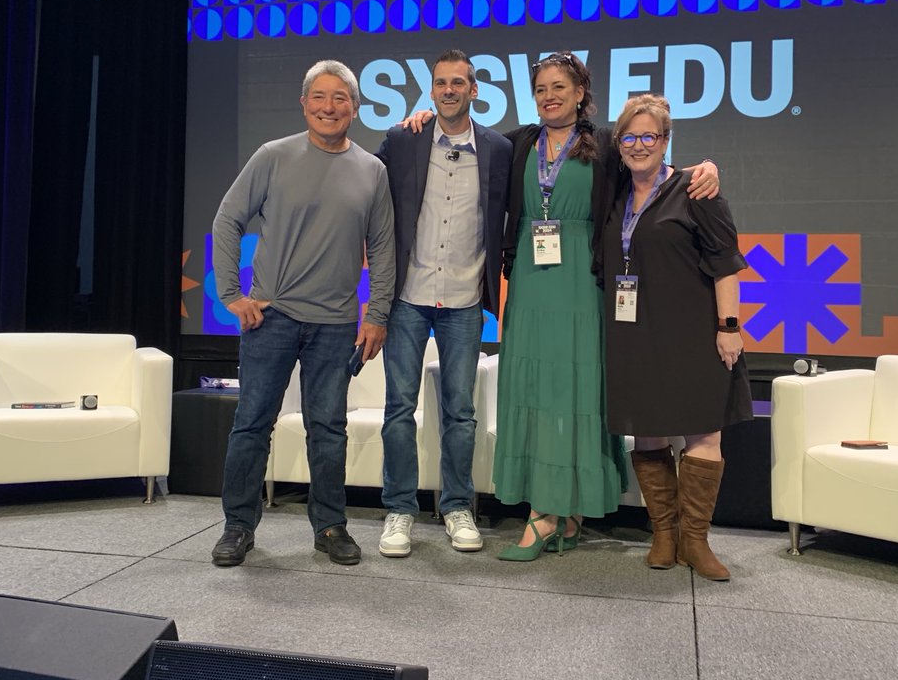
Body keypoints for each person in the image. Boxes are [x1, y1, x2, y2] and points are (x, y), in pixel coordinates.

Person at [411, 52, 719, 560]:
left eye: (560, 87)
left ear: (580, 93)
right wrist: (422, 121)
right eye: (541, 89)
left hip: (584, 283)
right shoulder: (515, 145)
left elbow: (653, 171)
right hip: (530, 283)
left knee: (576, 390)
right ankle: (551, 510)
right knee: (535, 388)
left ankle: (559, 511)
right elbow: (460, 138)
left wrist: (703, 168)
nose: (549, 96)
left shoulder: (606, 149)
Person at [210, 60, 395, 567]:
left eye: (340, 98)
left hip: (336, 324)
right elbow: (227, 220)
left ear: (354, 109)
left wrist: (376, 313)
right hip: (271, 319)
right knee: (252, 424)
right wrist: (231, 294)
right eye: (320, 96)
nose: (329, 107)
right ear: (304, 103)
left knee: (329, 429)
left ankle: (331, 526)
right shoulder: (273, 156)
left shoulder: (372, 171)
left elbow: (381, 248)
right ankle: (238, 526)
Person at [602, 94, 751, 581]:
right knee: (647, 431)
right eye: (630, 136)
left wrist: (729, 328)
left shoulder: (695, 190)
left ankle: (696, 540)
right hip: (635, 334)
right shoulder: (615, 192)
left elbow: (726, 261)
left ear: (666, 142)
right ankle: (663, 533)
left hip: (692, 334)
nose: (639, 145)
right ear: (618, 142)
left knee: (703, 433)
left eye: (650, 136)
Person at [374, 50, 512, 558]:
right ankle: (400, 510)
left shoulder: (499, 148)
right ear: (431, 91)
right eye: (441, 83)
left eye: (459, 83)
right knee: (398, 409)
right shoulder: (402, 139)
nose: (449, 90)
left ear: (475, 91)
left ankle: (457, 507)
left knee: (461, 412)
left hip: (463, 299)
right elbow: (361, 185)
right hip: (407, 297)